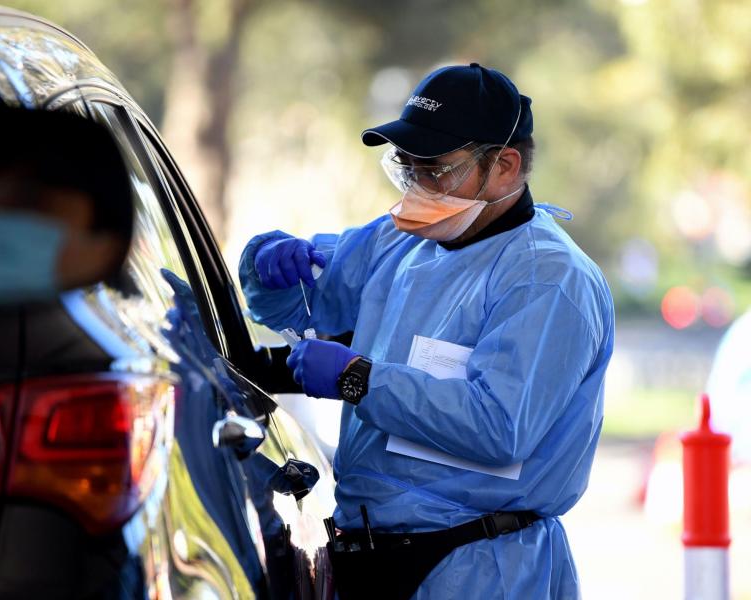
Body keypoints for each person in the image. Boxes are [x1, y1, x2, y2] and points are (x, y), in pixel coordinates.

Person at [239, 63, 615, 599]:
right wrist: (267, 263)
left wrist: (358, 379)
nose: (418, 185)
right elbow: (299, 303)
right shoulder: (404, 239)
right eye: (406, 165)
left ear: (505, 167)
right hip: (370, 551)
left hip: (479, 565)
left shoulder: (548, 281)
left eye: (435, 167)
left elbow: (500, 427)